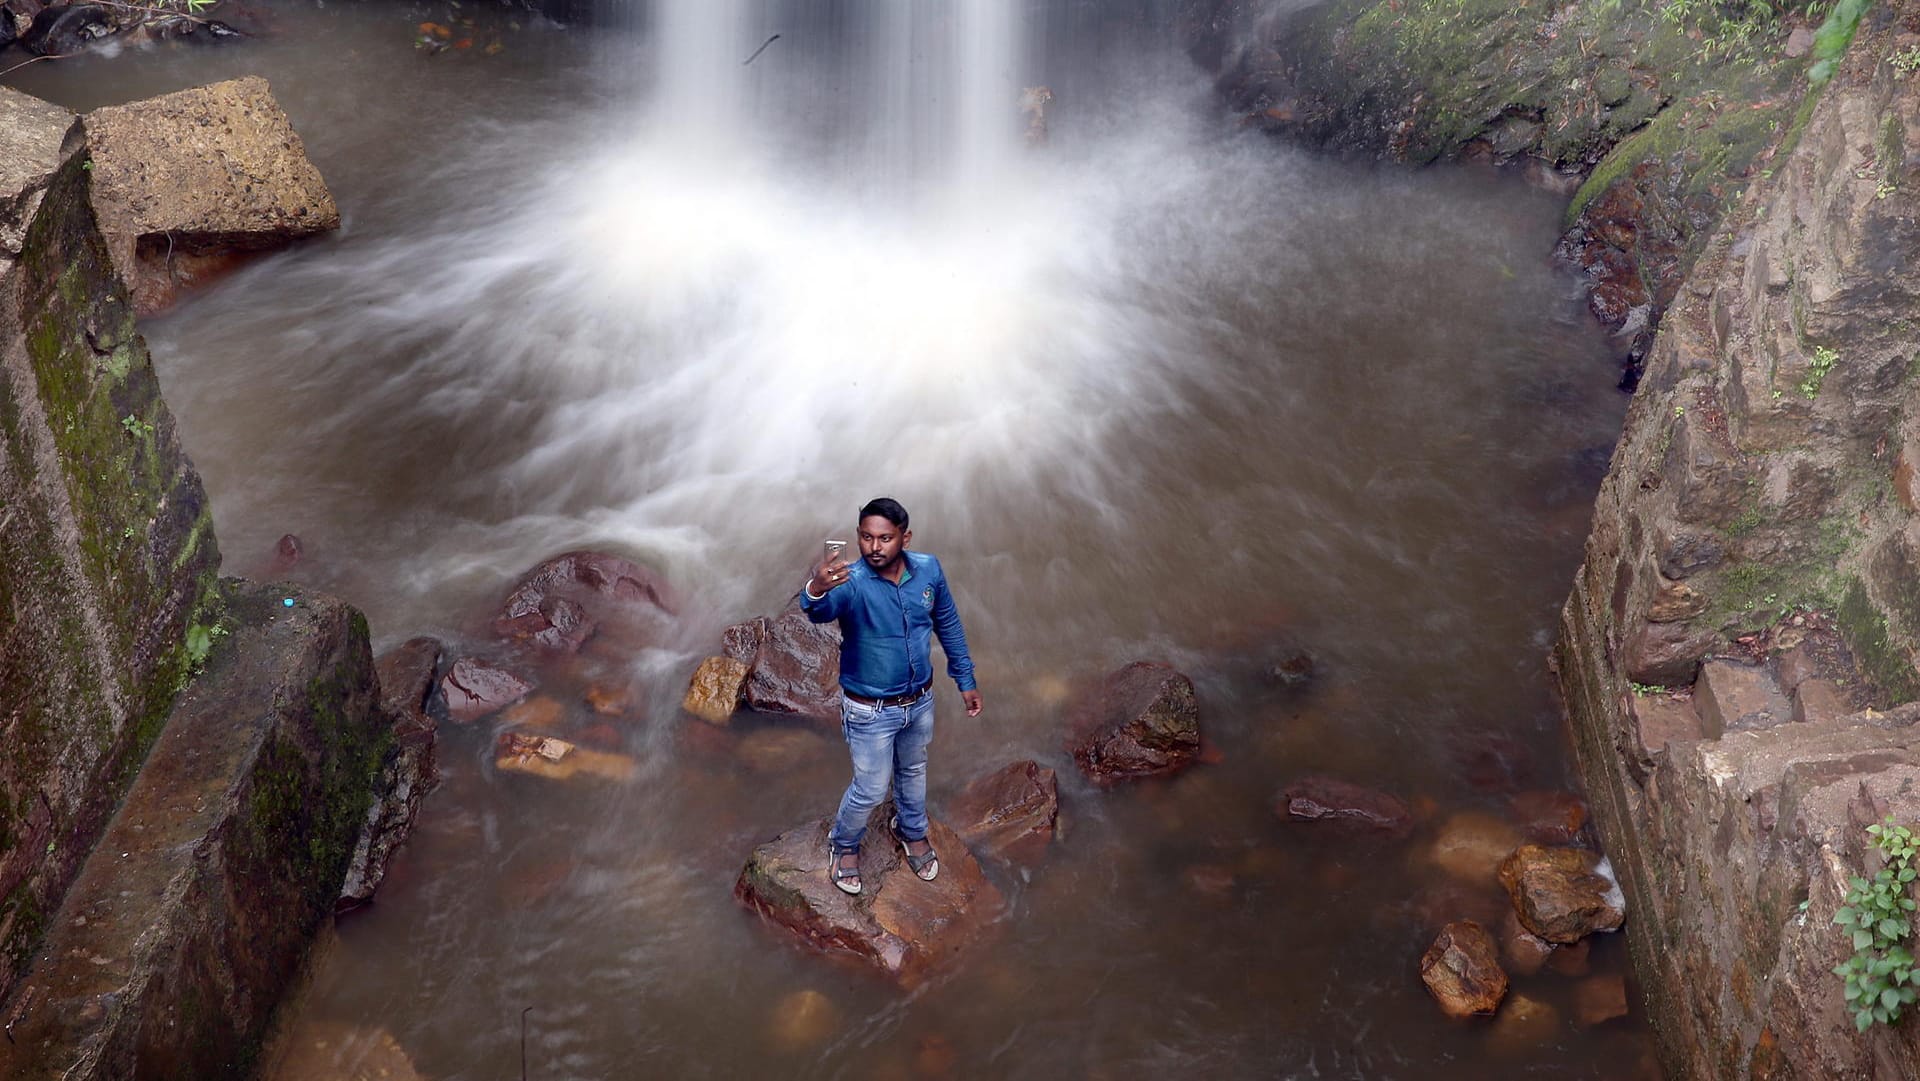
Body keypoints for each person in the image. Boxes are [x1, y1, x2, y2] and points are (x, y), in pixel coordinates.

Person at [801, 497, 982, 896]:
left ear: (905, 537)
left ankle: (911, 830)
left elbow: (947, 622)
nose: (874, 547)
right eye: (866, 537)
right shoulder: (850, 582)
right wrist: (816, 586)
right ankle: (844, 844)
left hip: (919, 702)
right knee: (869, 787)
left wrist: (964, 678)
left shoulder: (928, 570)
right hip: (870, 710)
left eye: (885, 538)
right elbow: (817, 609)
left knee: (914, 770)